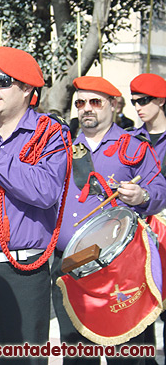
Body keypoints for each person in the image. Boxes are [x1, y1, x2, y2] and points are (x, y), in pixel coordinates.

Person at [52, 76, 166, 365]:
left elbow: (160, 190)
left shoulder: (134, 145)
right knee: (76, 356)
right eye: (80, 103)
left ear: (113, 106)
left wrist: (142, 196)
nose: (86, 108)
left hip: (120, 268)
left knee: (125, 356)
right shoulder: (60, 149)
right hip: (71, 265)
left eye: (95, 102)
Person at [0, 47, 71, 365]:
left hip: (22, 273)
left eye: (1, 82)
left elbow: (44, 191)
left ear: (27, 88)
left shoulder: (51, 134)